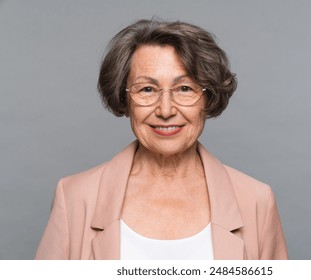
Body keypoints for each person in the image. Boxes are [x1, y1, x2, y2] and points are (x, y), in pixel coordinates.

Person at [35, 19, 288, 260]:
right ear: (125, 99)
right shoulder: (74, 197)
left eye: (184, 88)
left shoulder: (256, 200)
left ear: (208, 98)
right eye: (147, 89)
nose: (165, 110)